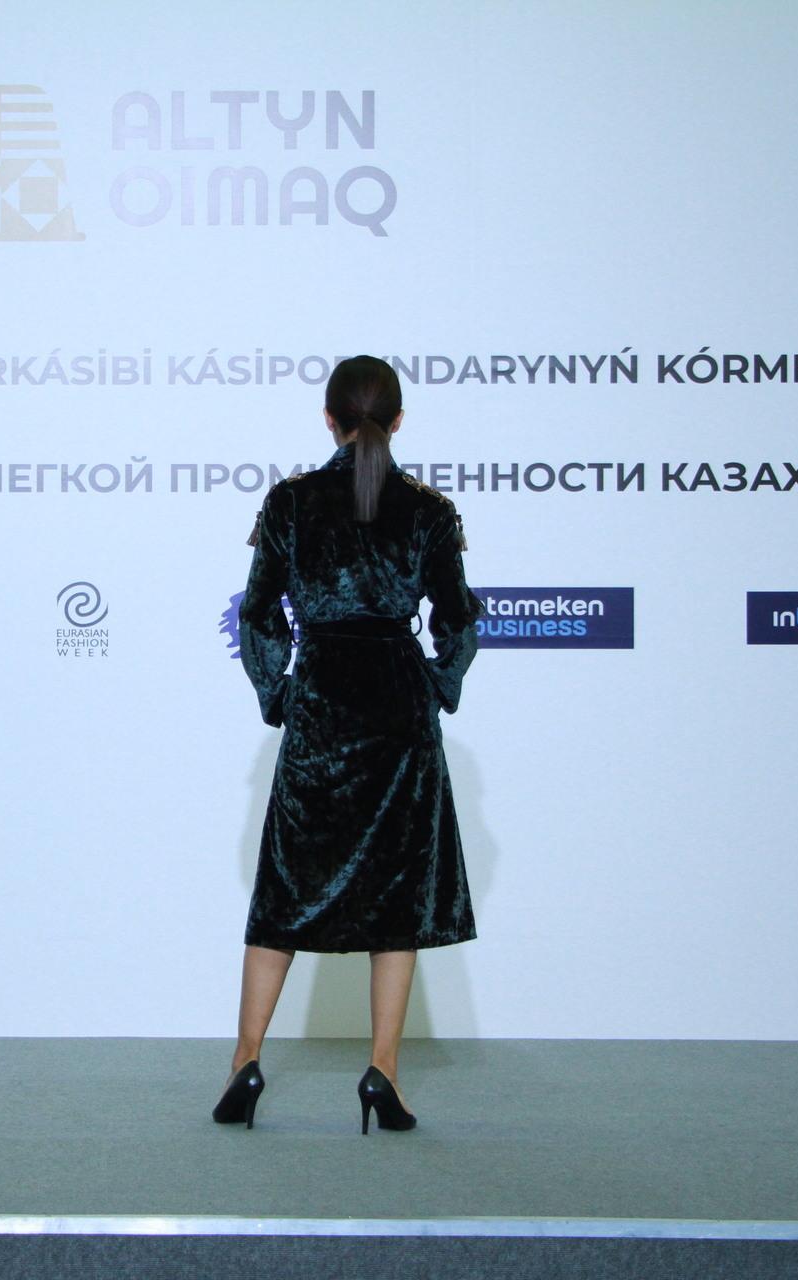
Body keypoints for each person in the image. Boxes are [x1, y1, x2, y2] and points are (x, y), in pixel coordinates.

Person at [212, 354, 482, 1135]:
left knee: (284, 892)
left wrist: (280, 693)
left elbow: (258, 613)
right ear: (397, 421)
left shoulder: (291, 501)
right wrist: (435, 684)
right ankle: (382, 1073)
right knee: (397, 902)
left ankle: (245, 1063)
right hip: (399, 715)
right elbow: (459, 619)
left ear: (328, 419)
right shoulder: (430, 510)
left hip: (323, 705)